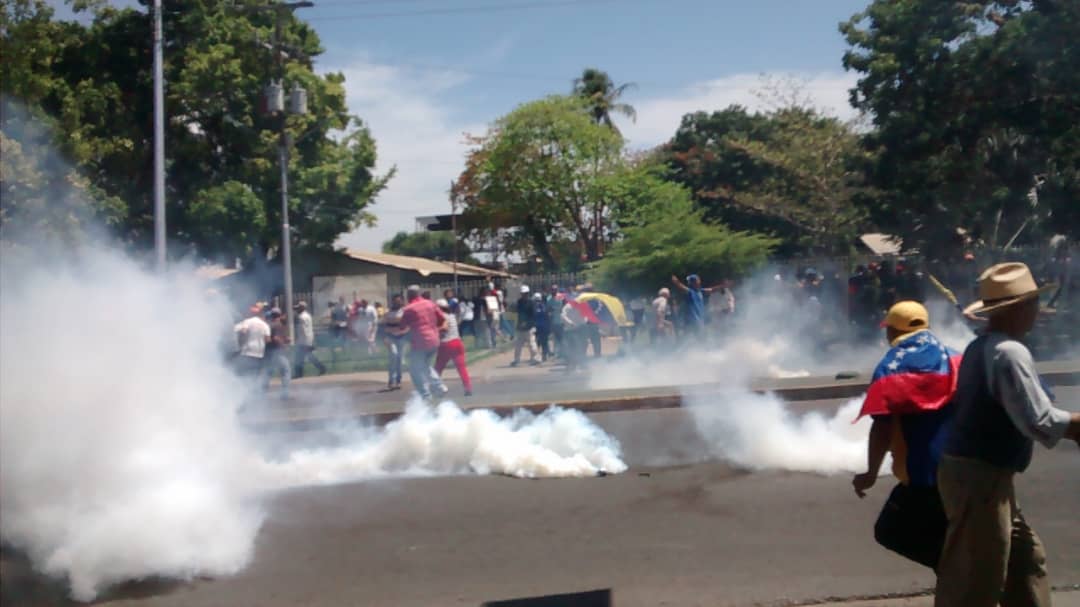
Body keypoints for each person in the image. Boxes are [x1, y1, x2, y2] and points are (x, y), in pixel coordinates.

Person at [934, 262, 1080, 607]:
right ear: (1017, 309)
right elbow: (1039, 421)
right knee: (976, 582)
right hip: (980, 480)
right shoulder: (1008, 352)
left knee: (1026, 562)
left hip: (982, 478)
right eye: (1031, 304)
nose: (1036, 312)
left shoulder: (983, 347)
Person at [852, 301, 960, 570]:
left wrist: (870, 473)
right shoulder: (957, 357)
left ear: (890, 331)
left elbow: (882, 428)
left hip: (923, 477)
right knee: (948, 536)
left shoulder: (890, 368)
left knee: (890, 531)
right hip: (964, 470)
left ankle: (958, 574)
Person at [400, 285, 448, 401]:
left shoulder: (409, 309)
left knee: (415, 369)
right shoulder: (430, 304)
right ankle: (439, 387)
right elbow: (442, 319)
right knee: (425, 365)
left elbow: (402, 326)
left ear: (408, 296)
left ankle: (425, 395)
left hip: (420, 342)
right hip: (434, 340)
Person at [434, 298, 473, 397]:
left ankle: (435, 388)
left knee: (438, 368)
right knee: (461, 368)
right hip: (457, 342)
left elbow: (443, 329)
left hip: (446, 344)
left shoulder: (441, 317)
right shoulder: (452, 316)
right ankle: (468, 388)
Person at [233, 303, 270, 378]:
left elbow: (243, 331)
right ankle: (254, 388)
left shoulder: (247, 321)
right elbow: (267, 340)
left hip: (247, 352)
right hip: (259, 353)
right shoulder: (265, 325)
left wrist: (241, 342)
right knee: (255, 375)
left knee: (244, 374)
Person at [292, 301, 327, 378]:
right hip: (308, 338)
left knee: (299, 357)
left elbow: (302, 330)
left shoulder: (301, 317)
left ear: (302, 308)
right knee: (309, 356)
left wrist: (300, 340)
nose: (297, 309)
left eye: (298, 308)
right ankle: (322, 368)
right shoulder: (308, 316)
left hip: (303, 340)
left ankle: (299, 373)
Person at [262, 308, 291, 399]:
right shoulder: (278, 325)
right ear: (279, 315)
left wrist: (285, 339)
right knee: (285, 371)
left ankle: (261, 393)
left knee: (268, 373)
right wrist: (284, 345)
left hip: (268, 352)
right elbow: (276, 338)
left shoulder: (268, 325)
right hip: (277, 352)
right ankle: (285, 393)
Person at [381, 294, 407, 391]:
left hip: (401, 338)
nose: (397, 303)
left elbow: (408, 325)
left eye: (399, 301)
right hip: (390, 338)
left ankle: (398, 380)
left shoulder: (404, 312)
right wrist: (384, 338)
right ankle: (391, 381)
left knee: (400, 360)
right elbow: (382, 326)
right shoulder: (388, 313)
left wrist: (405, 333)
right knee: (394, 356)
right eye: (395, 301)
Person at [511, 285, 539, 366]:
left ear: (527, 293)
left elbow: (533, 315)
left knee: (532, 344)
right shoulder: (519, 302)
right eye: (522, 293)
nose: (523, 295)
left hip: (529, 327)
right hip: (520, 327)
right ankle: (516, 360)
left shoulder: (531, 302)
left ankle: (535, 359)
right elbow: (517, 313)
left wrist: (528, 323)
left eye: (525, 293)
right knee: (518, 345)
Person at [546, 285, 565, 358]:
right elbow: (547, 309)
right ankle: (556, 353)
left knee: (562, 337)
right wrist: (550, 311)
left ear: (557, 290)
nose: (554, 291)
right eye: (552, 289)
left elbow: (564, 306)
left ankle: (563, 352)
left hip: (561, 320)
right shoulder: (549, 298)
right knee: (555, 338)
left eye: (555, 289)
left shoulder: (561, 296)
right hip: (553, 320)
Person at [533, 292, 552, 362]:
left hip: (537, 326)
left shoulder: (534, 306)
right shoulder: (544, 306)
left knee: (537, 342)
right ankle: (544, 355)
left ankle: (538, 356)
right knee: (544, 342)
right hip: (544, 326)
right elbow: (548, 317)